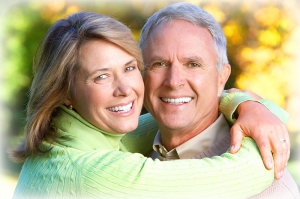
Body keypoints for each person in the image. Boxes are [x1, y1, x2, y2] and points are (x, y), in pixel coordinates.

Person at [10, 11, 288, 199]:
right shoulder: (91, 171)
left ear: (221, 76)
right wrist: (269, 118)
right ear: (65, 92)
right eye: (101, 76)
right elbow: (240, 173)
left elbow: (171, 112)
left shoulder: (69, 139)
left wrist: (246, 105)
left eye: (129, 68)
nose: (125, 89)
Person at [139, 2, 299, 198]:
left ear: (221, 78)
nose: (174, 81)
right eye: (159, 63)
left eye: (193, 64)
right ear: (141, 74)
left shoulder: (269, 190)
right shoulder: (122, 159)